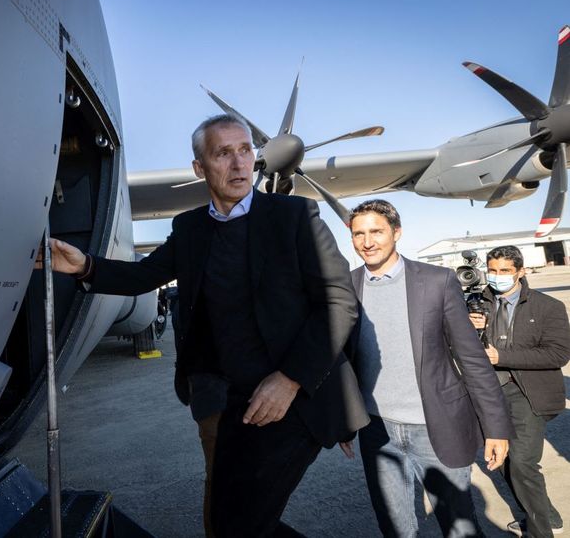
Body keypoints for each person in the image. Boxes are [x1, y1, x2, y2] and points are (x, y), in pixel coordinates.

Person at [48, 114, 368, 537]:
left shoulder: (294, 216)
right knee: (225, 520)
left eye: (245, 151)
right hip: (236, 402)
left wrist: (290, 379)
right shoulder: (191, 228)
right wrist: (84, 266)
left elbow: (339, 302)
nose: (239, 165)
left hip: (295, 400)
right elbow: (144, 276)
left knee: (243, 525)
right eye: (223, 154)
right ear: (200, 168)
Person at [342, 199, 513, 537]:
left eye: (376, 231)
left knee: (460, 528)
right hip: (377, 431)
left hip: (435, 426)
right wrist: (343, 422)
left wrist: (496, 426)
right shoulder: (347, 286)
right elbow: (343, 363)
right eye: (358, 234)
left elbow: (472, 359)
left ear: (397, 232)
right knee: (396, 529)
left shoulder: (437, 281)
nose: (367, 241)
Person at [469, 246, 569, 537]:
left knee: (523, 463)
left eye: (505, 271)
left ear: (521, 272)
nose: (497, 277)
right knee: (500, 461)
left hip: (528, 393)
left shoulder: (548, 306)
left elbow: (558, 354)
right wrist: (469, 328)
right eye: (493, 271)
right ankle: (545, 513)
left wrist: (503, 357)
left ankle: (541, 531)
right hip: (490, 393)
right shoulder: (477, 305)